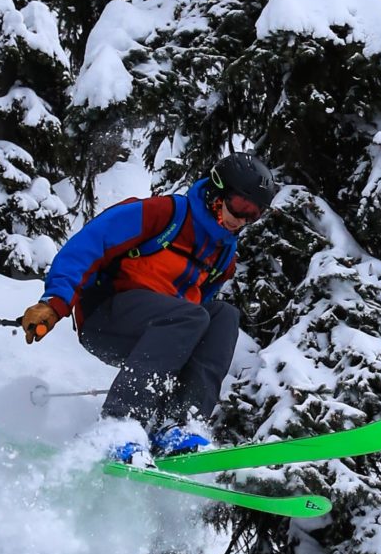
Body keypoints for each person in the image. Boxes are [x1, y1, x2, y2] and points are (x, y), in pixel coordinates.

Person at [20, 152, 279, 461]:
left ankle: (178, 424)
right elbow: (90, 244)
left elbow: (202, 313)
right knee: (190, 315)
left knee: (223, 316)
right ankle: (119, 423)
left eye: (254, 214)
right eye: (241, 206)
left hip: (159, 333)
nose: (243, 220)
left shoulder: (223, 256)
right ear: (217, 191)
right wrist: (54, 302)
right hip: (106, 316)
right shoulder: (165, 213)